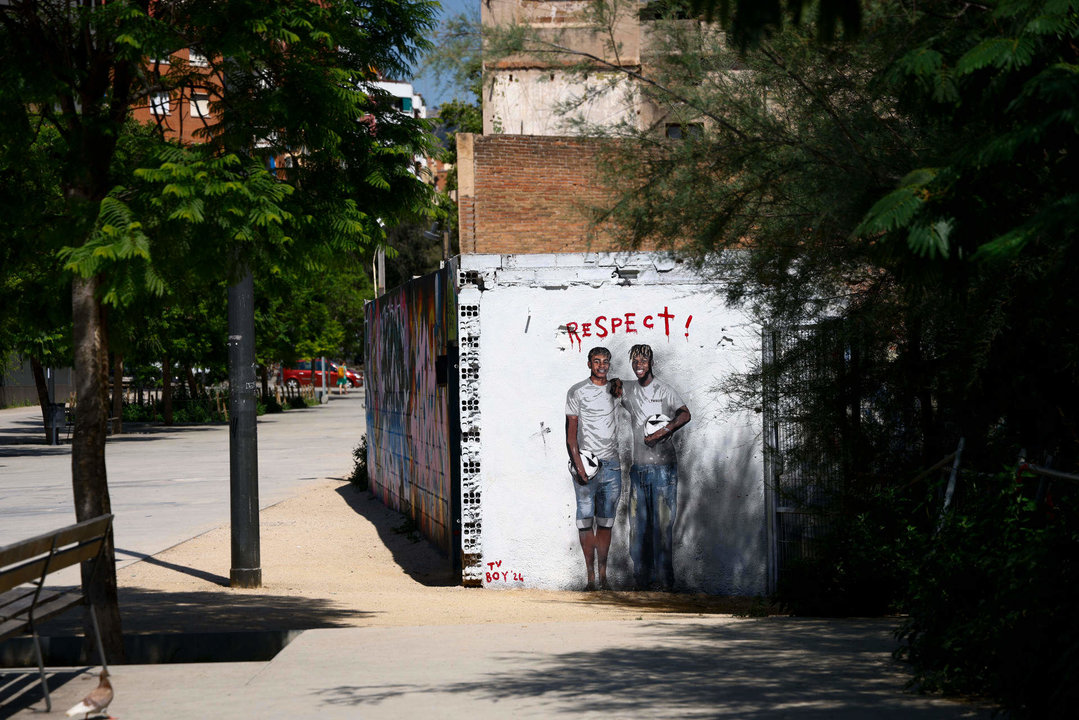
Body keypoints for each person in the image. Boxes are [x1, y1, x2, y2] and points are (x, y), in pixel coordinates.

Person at [612, 344, 691, 591]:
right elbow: (607, 388)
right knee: (638, 526)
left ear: (651, 363)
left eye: (643, 360)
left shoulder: (665, 390)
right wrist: (612, 384)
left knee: (663, 526)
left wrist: (661, 432)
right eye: (635, 361)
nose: (639, 365)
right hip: (639, 471)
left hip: (665, 469)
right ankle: (642, 581)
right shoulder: (627, 389)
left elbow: (685, 414)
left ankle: (666, 582)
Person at [565, 346, 622, 591]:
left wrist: (619, 385)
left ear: (609, 364)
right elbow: (570, 435)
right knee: (586, 521)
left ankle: (604, 576)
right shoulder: (577, 391)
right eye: (596, 361)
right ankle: (590, 578)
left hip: (612, 466)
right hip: (588, 465)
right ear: (589, 364)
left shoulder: (616, 389)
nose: (601, 365)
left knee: (606, 522)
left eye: (605, 361)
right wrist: (580, 468)